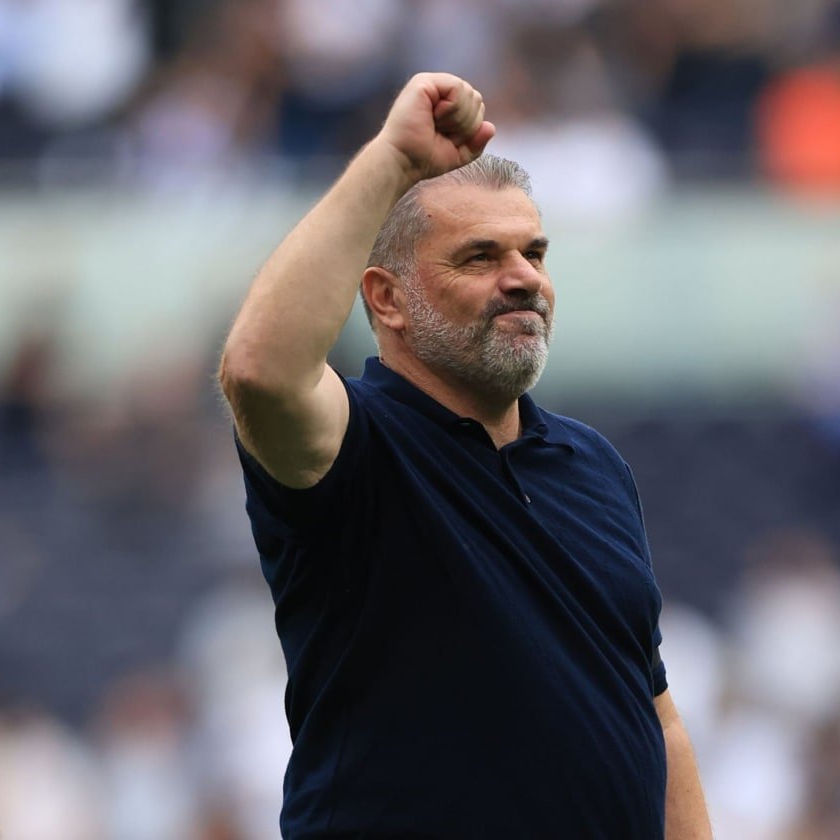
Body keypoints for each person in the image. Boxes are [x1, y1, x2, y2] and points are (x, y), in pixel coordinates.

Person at [218, 72, 712, 839]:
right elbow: (258, 371)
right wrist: (392, 160)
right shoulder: (359, 448)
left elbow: (656, 715)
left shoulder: (591, 463)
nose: (524, 279)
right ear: (386, 299)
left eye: (534, 252)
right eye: (480, 258)